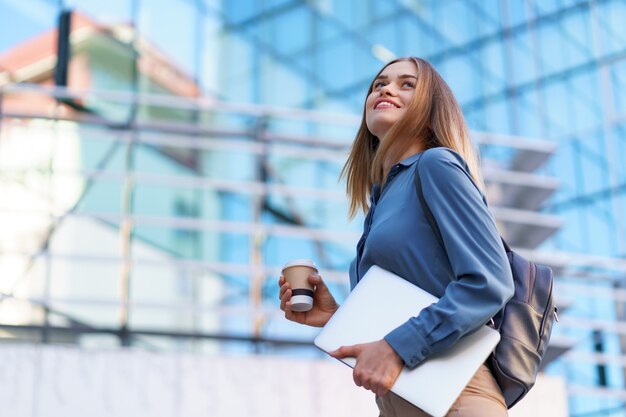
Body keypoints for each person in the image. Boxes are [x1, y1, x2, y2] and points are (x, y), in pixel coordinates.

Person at [278, 57, 515, 417]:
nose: (386, 88)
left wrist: (396, 348)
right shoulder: (382, 200)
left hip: (458, 400)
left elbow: (489, 283)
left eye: (407, 84)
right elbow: (407, 306)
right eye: (378, 84)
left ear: (430, 106)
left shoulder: (437, 166)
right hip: (397, 404)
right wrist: (337, 318)